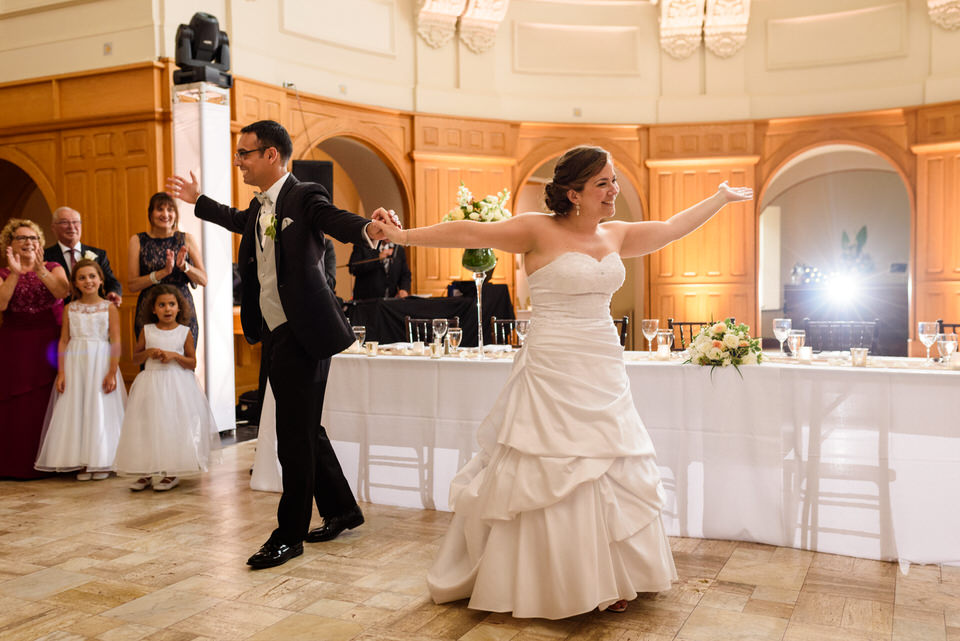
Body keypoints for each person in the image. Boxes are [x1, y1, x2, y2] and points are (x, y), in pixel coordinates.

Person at [378, 145, 753, 619]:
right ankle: (550, 580)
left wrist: (718, 199)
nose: (614, 190)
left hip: (602, 363)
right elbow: (470, 232)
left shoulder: (615, 234)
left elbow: (670, 230)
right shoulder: (537, 229)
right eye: (603, 183)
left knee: (606, 462)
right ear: (574, 193)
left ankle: (612, 574)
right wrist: (403, 234)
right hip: (553, 364)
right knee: (550, 464)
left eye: (614, 180)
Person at [166, 119, 398, 570]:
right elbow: (236, 220)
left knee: (291, 437)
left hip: (305, 331)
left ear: (272, 155)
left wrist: (370, 229)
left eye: (245, 154)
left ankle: (288, 535)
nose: (239, 162)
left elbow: (334, 220)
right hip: (273, 330)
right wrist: (198, 202)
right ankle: (342, 509)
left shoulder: (304, 194)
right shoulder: (259, 207)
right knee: (304, 428)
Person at [114, 285, 219, 492]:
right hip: (151, 384)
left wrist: (175, 356)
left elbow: (192, 362)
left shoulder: (184, 332)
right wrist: (149, 352)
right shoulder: (147, 330)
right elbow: (135, 358)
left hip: (176, 385)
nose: (167, 309)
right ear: (153, 309)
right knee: (147, 426)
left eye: (172, 304)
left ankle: (170, 472)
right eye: (162, 305)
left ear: (179, 308)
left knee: (172, 425)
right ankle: (145, 470)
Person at [35, 259, 125, 479]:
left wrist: (112, 372)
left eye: (92, 276)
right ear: (74, 283)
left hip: (100, 361)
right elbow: (64, 340)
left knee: (98, 407)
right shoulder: (70, 308)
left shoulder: (109, 307)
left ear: (101, 280)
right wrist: (62, 372)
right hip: (76, 363)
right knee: (78, 408)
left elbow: (115, 341)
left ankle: (101, 461)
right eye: (82, 278)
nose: (88, 281)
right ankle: (83, 461)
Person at [0, 219, 71, 479]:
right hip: (15, 343)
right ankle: (14, 464)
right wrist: (16, 273)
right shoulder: (4, 273)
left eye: (33, 238)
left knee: (47, 399)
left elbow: (62, 292)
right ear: (10, 244)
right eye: (22, 238)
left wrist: (40, 270)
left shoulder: (53, 267)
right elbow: (2, 304)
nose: (29, 242)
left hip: (48, 340)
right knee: (17, 402)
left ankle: (51, 462)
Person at [127, 192, 207, 346]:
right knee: (152, 360)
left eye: (170, 209)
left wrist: (184, 266)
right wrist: (161, 273)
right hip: (150, 311)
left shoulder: (186, 239)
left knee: (184, 361)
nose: (165, 214)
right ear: (150, 214)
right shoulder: (137, 240)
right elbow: (132, 285)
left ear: (175, 214)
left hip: (182, 310)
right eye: (160, 209)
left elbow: (203, 279)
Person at [44, 206, 123, 306]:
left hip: (94, 312)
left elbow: (111, 281)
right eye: (64, 222)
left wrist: (113, 293)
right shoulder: (45, 256)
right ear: (53, 228)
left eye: (75, 222)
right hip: (60, 314)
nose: (71, 227)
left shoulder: (99, 254)